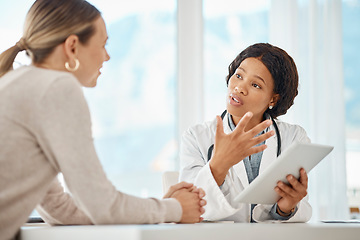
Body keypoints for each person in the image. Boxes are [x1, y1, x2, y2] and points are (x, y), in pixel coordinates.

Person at [0, 1, 206, 239]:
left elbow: (58, 209)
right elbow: (103, 206)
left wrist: (160, 208)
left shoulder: (18, 84)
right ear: (73, 47)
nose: (107, 56)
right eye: (103, 44)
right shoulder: (57, 88)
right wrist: (176, 209)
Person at [179, 43, 312, 222]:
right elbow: (188, 206)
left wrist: (285, 209)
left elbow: (300, 207)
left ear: (273, 98)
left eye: (256, 85)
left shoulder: (294, 138)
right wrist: (219, 164)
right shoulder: (196, 137)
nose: (239, 87)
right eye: (239, 75)